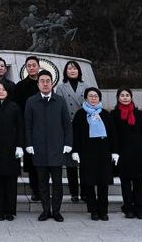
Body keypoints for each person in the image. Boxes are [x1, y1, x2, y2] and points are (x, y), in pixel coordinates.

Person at [24, 69, 72, 222]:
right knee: (42, 183)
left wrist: (68, 143)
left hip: (56, 149)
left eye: (48, 81)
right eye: (42, 81)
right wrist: (29, 144)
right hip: (39, 149)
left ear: (52, 83)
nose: (45, 84)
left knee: (57, 183)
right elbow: (27, 126)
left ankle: (56, 211)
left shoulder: (60, 101)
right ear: (38, 84)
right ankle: (45, 210)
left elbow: (67, 124)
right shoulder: (31, 101)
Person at [72, 87, 118, 221]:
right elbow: (75, 134)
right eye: (90, 96)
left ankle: (103, 211)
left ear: (99, 98)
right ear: (86, 98)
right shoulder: (80, 114)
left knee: (103, 184)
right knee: (89, 183)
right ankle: (93, 210)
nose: (93, 98)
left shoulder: (105, 114)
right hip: (86, 153)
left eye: (96, 96)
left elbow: (113, 134)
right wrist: (75, 151)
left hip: (104, 153)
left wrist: (115, 151)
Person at [111, 87, 142, 220]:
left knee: (139, 182)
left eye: (127, 95)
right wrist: (114, 151)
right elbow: (113, 134)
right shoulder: (114, 114)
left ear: (131, 97)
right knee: (125, 182)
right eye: (122, 95)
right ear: (118, 98)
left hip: (138, 152)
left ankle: (140, 209)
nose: (125, 97)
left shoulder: (139, 113)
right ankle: (128, 208)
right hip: (122, 153)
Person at [0, 82, 24, 221]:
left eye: (4, 89)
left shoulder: (15, 107)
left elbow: (20, 127)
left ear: (8, 91)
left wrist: (20, 146)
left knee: (11, 182)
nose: (1, 91)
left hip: (11, 150)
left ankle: (10, 211)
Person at [56, 60, 86, 203]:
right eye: (69, 68)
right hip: (67, 127)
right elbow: (59, 108)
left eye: (75, 68)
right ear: (65, 71)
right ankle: (74, 192)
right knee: (70, 163)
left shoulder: (86, 86)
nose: (72, 70)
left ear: (79, 71)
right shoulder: (61, 87)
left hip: (83, 126)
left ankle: (85, 192)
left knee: (84, 161)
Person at [14, 56, 41, 201]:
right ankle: (35, 190)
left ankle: (43, 188)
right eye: (29, 65)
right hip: (28, 127)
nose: (31, 67)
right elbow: (18, 109)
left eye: (33, 65)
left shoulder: (44, 82)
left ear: (38, 66)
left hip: (44, 128)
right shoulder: (20, 86)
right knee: (31, 161)